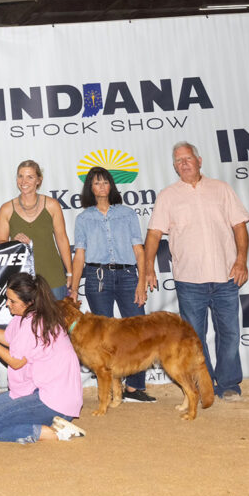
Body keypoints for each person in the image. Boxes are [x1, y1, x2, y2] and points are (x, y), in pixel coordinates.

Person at [145, 141, 249, 401]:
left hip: (226, 276)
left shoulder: (221, 189)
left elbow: (239, 226)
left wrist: (241, 260)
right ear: (174, 167)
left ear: (199, 160)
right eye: (178, 161)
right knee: (194, 338)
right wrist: (148, 268)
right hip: (189, 280)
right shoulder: (168, 195)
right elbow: (154, 234)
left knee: (230, 333)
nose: (184, 163)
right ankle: (204, 385)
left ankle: (228, 383)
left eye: (188, 158)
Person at [0, 272, 85, 443]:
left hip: (54, 400)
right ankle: (43, 422)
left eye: (12, 301)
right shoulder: (26, 316)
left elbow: (16, 362)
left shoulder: (35, 323)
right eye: (8, 299)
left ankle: (52, 433)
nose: (7, 304)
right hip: (37, 390)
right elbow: (8, 339)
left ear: (30, 302)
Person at [69, 167, 155, 403]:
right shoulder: (83, 219)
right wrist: (74, 288)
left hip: (127, 275)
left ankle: (134, 387)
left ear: (111, 186)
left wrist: (141, 282)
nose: (102, 187)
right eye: (96, 183)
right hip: (97, 278)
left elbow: (139, 250)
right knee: (103, 338)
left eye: (105, 182)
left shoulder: (127, 214)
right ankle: (110, 388)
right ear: (90, 188)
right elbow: (79, 255)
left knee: (138, 331)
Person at [0, 160, 72, 300]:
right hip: (21, 281)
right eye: (20, 176)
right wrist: (14, 243)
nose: (24, 181)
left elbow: (62, 239)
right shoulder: (6, 209)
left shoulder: (52, 205)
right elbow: (0, 243)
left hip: (52, 277)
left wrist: (70, 272)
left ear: (38, 180)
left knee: (56, 315)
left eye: (30, 177)